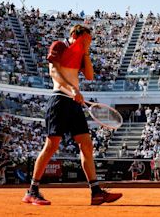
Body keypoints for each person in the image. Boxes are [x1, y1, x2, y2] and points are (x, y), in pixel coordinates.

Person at [22, 24, 122, 205]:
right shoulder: (59, 46)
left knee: (86, 145)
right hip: (60, 99)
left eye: (89, 42)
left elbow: (90, 76)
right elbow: (54, 72)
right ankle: (32, 191)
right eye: (85, 40)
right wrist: (72, 89)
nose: (87, 44)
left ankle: (96, 192)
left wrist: (85, 52)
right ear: (75, 35)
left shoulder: (81, 54)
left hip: (74, 102)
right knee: (52, 146)